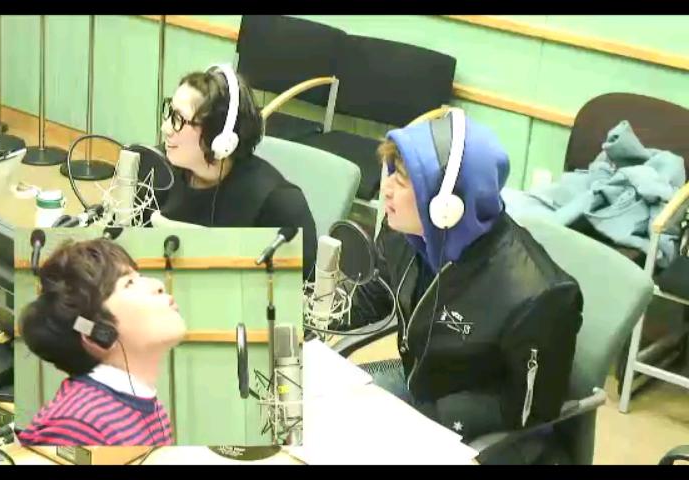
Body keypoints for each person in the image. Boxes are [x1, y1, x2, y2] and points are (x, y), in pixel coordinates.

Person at [350, 108, 583, 462]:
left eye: (403, 181)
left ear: (447, 204)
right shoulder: (404, 234)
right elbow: (376, 295)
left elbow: (531, 409)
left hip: (490, 431)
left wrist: (427, 420)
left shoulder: (539, 296)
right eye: (390, 172)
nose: (385, 188)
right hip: (422, 386)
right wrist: (308, 320)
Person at [130, 64, 317, 278]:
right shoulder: (156, 168)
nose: (166, 128)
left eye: (179, 119)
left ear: (219, 134)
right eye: (169, 113)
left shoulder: (279, 203)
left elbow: (305, 288)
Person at [17, 238, 185, 447]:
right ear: (98, 333)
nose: (158, 284)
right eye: (129, 283)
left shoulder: (144, 402)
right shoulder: (77, 427)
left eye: (138, 277)